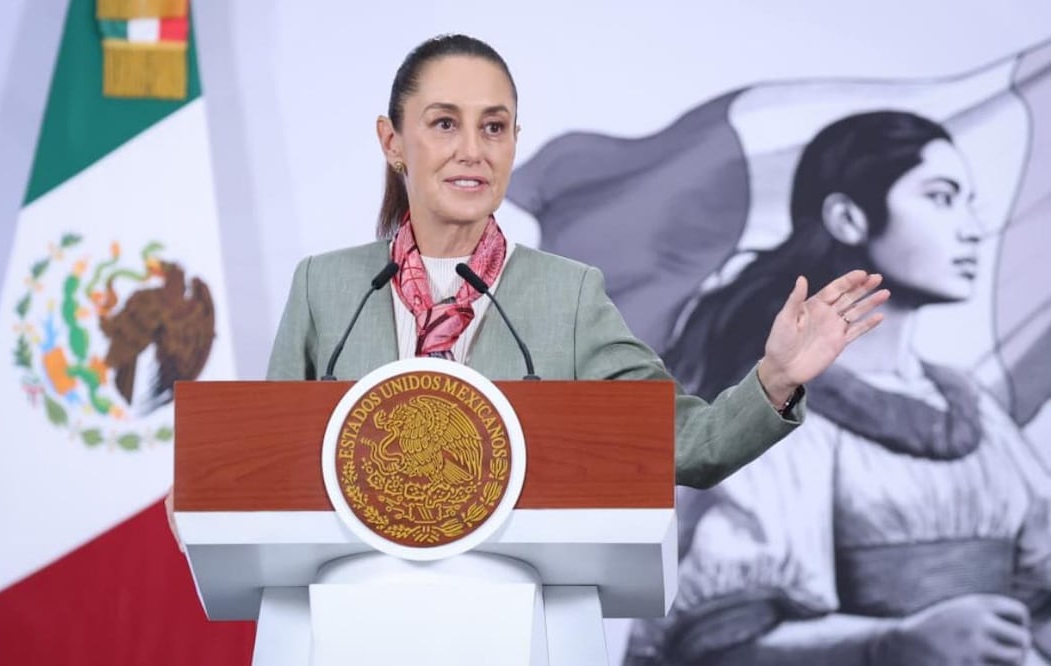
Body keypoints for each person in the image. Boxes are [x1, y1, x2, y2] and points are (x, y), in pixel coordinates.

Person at [165, 34, 888, 544]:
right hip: (351, 617)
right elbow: (272, 460)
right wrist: (216, 491)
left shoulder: (568, 295)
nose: (473, 151)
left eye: (495, 127)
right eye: (444, 124)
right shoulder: (327, 287)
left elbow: (683, 445)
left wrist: (773, 379)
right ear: (393, 142)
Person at [624, 111, 1051, 665]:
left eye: (970, 202)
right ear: (849, 217)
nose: (971, 227)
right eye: (942, 198)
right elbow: (721, 641)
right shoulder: (785, 413)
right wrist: (894, 643)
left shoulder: (973, 412)